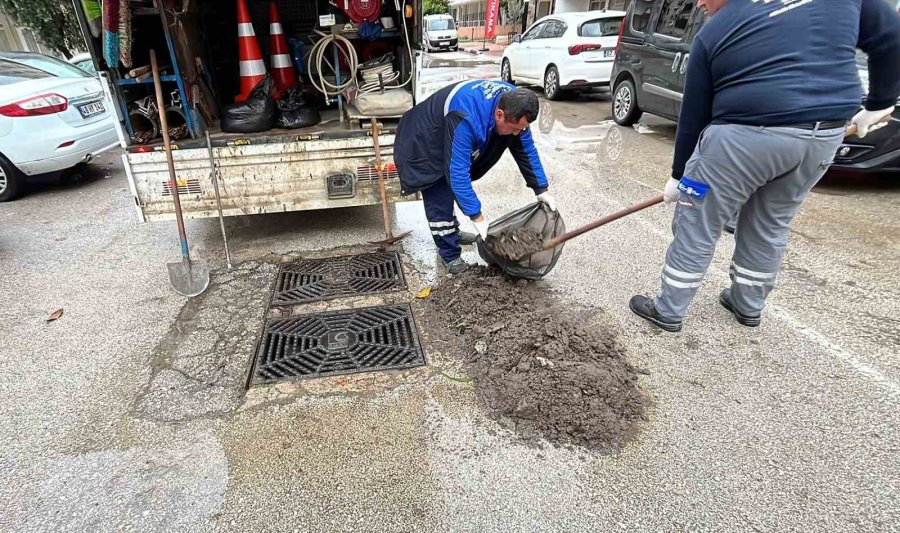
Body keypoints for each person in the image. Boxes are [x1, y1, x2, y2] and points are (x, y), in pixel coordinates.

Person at [630, 0, 900, 332]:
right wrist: (881, 102)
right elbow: (890, 32)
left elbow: (694, 115)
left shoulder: (714, 30)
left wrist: (679, 175)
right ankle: (747, 305)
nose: (699, 2)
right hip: (821, 138)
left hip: (744, 138)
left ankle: (668, 309)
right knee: (771, 221)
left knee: (698, 219)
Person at [393, 80, 555, 274]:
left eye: (521, 128)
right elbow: (457, 174)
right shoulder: (465, 117)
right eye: (514, 128)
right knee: (440, 193)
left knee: (455, 182)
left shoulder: (515, 102)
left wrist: (541, 189)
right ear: (499, 114)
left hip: (451, 128)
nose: (516, 133)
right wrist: (477, 216)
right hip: (424, 141)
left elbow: (526, 149)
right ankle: (449, 254)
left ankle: (453, 232)